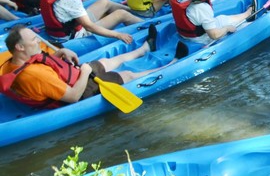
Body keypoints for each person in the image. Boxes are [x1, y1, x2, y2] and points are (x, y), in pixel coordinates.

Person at [0, 23, 167, 108]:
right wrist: (85, 73)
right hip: (79, 91)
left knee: (105, 62)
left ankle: (143, 49)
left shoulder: (11, 60)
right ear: (20, 47)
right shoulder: (34, 75)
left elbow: (38, 63)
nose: (39, 41)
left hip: (71, 77)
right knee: (127, 75)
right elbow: (72, 97)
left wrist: (58, 54)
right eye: (35, 40)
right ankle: (167, 68)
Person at [174, 0, 254, 43]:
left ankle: (247, 14)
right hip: (200, 38)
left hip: (186, 35)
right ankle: (250, 18)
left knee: (222, 18)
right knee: (240, 26)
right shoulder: (202, 8)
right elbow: (214, 35)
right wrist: (226, 28)